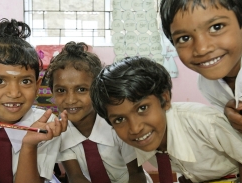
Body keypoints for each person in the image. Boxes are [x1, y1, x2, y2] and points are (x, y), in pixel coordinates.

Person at [90, 56, 242, 183]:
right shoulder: (142, 140)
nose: (135, 128)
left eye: (142, 108)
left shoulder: (203, 122)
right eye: (119, 119)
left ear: (165, 98)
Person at [0, 18, 68, 183]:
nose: (15, 93)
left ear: (37, 86)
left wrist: (29, 146)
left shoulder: (45, 125)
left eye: (25, 81)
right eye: (0, 81)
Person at [44, 41, 153, 183]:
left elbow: (136, 174)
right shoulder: (60, 130)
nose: (70, 100)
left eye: (81, 89)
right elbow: (75, 177)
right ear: (52, 92)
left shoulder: (118, 123)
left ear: (97, 90)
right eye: (61, 90)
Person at [159, 0, 242, 132]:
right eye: (184, 38)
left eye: (216, 27)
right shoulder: (206, 84)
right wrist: (229, 116)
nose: (202, 49)